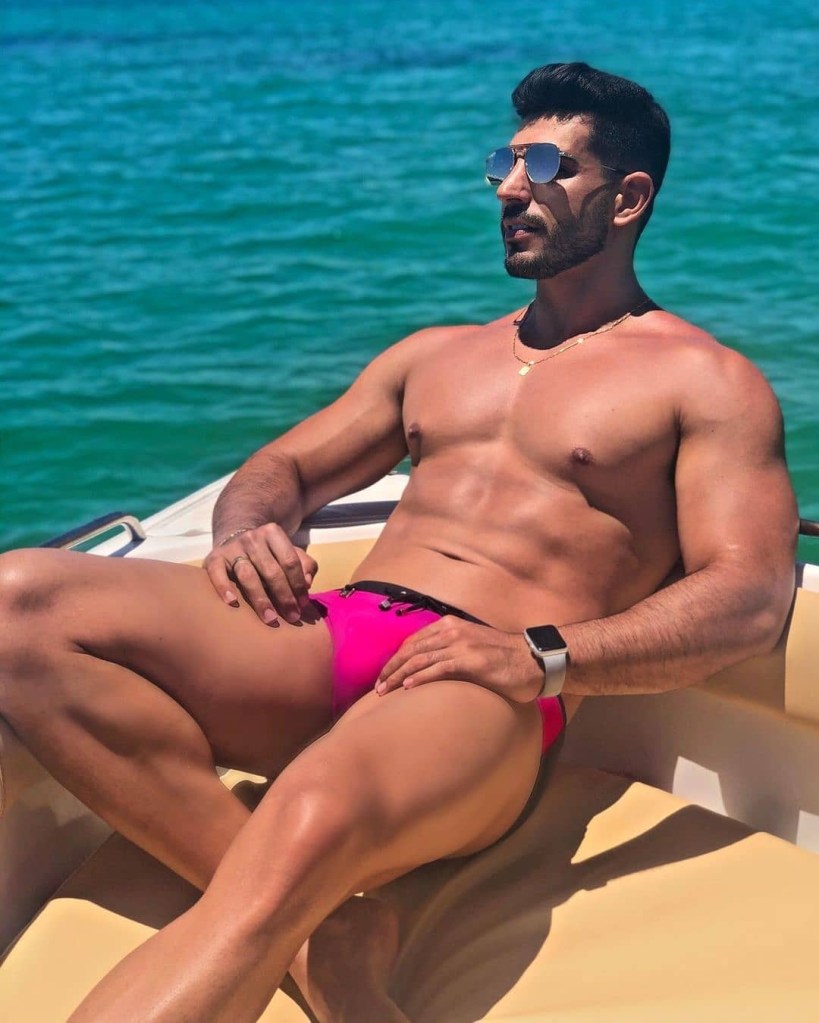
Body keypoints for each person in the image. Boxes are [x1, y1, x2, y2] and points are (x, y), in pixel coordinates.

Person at [0, 61, 797, 1022]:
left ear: (626, 198)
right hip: (334, 630)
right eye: (504, 161)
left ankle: (286, 908)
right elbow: (280, 469)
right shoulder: (435, 354)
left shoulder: (705, 381)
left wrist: (540, 656)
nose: (509, 187)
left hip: (486, 682)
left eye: (546, 166)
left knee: (307, 814)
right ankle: (324, 939)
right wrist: (247, 528)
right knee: (17, 607)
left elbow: (748, 594)